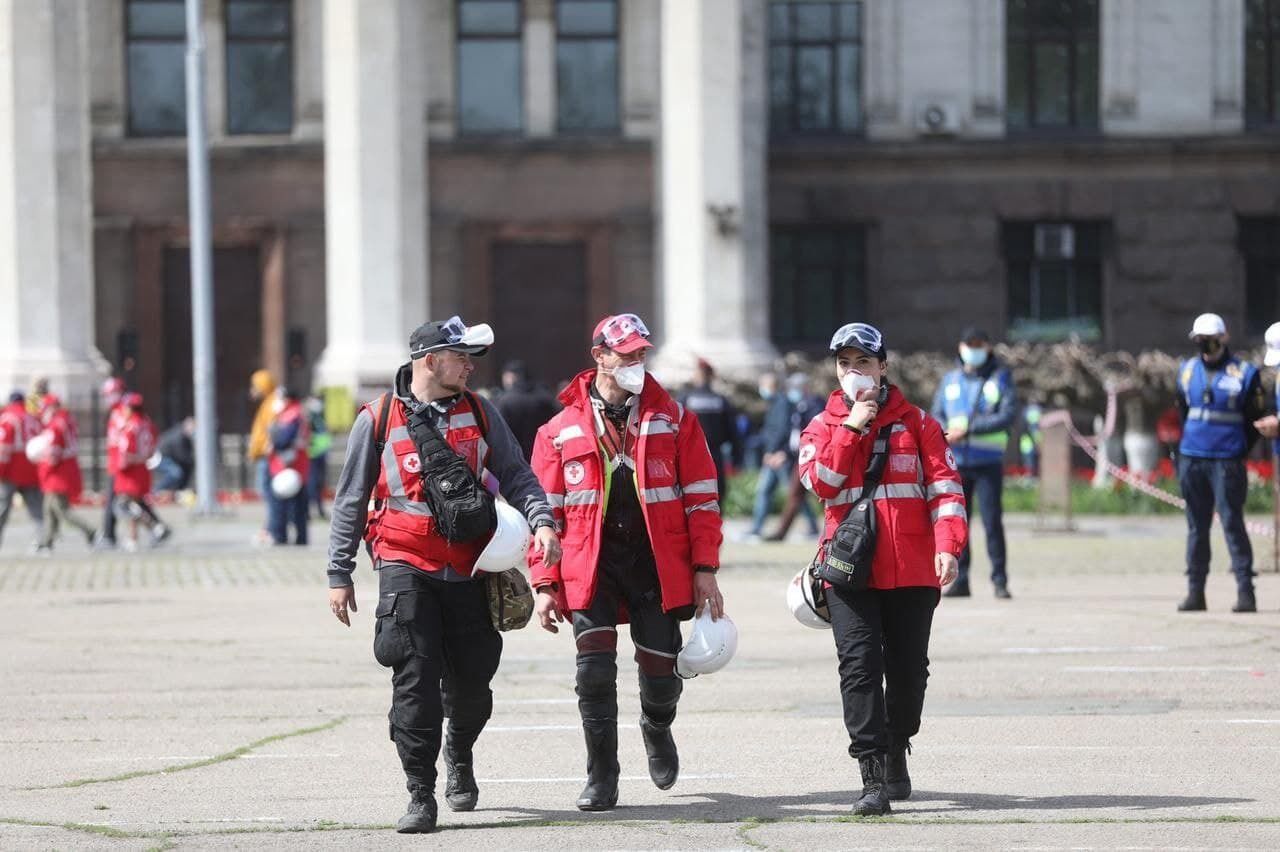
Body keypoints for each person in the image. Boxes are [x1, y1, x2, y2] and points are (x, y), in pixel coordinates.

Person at [326, 315, 559, 834]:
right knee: (413, 678)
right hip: (404, 562)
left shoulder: (480, 410)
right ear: (431, 361)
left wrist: (541, 520)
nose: (471, 366)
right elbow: (351, 499)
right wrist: (338, 572)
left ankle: (460, 748)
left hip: (472, 565)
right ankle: (419, 793)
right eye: (461, 357)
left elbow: (518, 473)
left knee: (474, 681)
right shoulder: (378, 418)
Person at [529, 313, 725, 812]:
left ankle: (657, 726)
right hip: (589, 565)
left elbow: (703, 500)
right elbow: (543, 515)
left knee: (661, 676)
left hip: (656, 565)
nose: (638, 362)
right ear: (601, 357)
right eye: (628, 354)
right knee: (593, 673)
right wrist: (545, 583)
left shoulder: (676, 420)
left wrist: (705, 569)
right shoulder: (558, 429)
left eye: (643, 354)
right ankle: (602, 776)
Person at [798, 321, 966, 816]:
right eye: (844, 363)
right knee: (859, 668)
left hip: (913, 568)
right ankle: (871, 773)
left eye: (863, 363)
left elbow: (946, 489)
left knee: (909, 672)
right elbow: (822, 483)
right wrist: (852, 426)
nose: (853, 372)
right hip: (849, 569)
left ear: (884, 367)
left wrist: (949, 545)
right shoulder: (821, 426)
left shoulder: (919, 424)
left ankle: (897, 744)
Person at [1174, 313, 1268, 613]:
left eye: (1209, 340)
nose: (1203, 346)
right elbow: (1182, 413)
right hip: (1193, 457)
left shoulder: (1244, 373)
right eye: (1199, 340)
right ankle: (1195, 592)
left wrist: (1239, 450)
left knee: (1232, 523)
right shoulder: (1186, 371)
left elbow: (1253, 420)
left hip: (1226, 461)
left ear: (1222, 339)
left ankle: (1245, 591)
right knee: (1196, 528)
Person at [930, 327, 1017, 599]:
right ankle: (961, 579)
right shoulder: (951, 380)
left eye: (979, 345)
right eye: (970, 345)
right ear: (960, 346)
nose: (974, 350)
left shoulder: (1000, 377)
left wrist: (968, 430)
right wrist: (945, 432)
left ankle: (999, 580)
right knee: (958, 523)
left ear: (988, 348)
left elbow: (1007, 415)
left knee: (992, 523)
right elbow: (937, 414)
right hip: (956, 462)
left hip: (988, 461)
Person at [34, 395, 96, 553]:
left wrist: (42, 461)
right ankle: (47, 541)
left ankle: (90, 531)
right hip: (66, 468)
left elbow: (54, 454)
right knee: (49, 506)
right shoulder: (67, 420)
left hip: (59, 472)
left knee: (61, 509)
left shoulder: (56, 425)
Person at [766, 373, 824, 541]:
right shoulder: (797, 405)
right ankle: (781, 532)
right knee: (795, 495)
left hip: (813, 456)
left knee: (818, 494)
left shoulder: (814, 404)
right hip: (798, 456)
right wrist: (784, 452)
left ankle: (782, 532)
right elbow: (793, 434)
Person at [112, 393, 170, 551]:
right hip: (143, 468)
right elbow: (153, 444)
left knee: (126, 505)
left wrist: (123, 462)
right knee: (134, 503)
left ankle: (154, 527)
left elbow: (126, 453)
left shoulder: (131, 426)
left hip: (131, 471)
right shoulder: (147, 423)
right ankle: (134, 538)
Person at [680, 358, 740, 501]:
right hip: (715, 455)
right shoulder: (721, 400)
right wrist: (736, 459)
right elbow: (733, 433)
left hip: (690, 455)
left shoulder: (685, 399)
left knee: (691, 495)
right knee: (716, 494)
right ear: (711, 376)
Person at [0, 391, 44, 549]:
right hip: (31, 469)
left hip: (11, 469)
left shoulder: (8, 418)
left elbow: (3, 448)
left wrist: (1, 470)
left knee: (2, 507)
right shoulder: (32, 418)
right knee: (36, 507)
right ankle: (41, 540)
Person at [267, 388, 310, 546]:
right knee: (298, 506)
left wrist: (273, 442)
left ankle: (281, 536)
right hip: (296, 467)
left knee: (284, 504)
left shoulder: (292, 415)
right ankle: (300, 537)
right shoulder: (297, 413)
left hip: (288, 466)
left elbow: (284, 440)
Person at [494, 360, 559, 461]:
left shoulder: (506, 401)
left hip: (517, 461)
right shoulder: (545, 398)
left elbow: (499, 435)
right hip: (545, 457)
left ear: (512, 376)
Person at [248, 369, 279, 545]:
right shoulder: (268, 403)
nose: (253, 390)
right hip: (262, 456)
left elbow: (271, 430)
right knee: (267, 495)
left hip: (267, 458)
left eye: (255, 386)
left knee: (269, 495)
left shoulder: (272, 403)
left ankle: (270, 530)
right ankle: (269, 528)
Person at [304, 395, 331, 519]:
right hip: (312, 455)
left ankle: (319, 509)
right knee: (312, 483)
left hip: (321, 454)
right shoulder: (309, 418)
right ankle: (308, 511)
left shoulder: (320, 417)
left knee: (319, 483)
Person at [154, 417, 196, 493]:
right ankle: (156, 491)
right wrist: (191, 460)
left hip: (170, 458)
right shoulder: (178, 436)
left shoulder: (185, 436)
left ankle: (180, 491)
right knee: (176, 472)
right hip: (160, 457)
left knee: (187, 468)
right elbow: (181, 455)